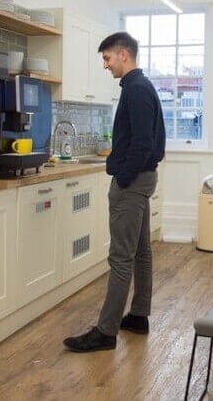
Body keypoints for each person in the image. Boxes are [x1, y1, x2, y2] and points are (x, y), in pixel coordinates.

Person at [63, 32, 165, 352]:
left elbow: (143, 144)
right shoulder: (141, 87)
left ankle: (106, 331)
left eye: (107, 58)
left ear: (123, 54)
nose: (105, 65)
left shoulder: (136, 90)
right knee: (140, 250)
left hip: (132, 184)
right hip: (143, 179)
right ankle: (138, 315)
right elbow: (149, 143)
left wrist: (122, 177)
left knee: (121, 256)